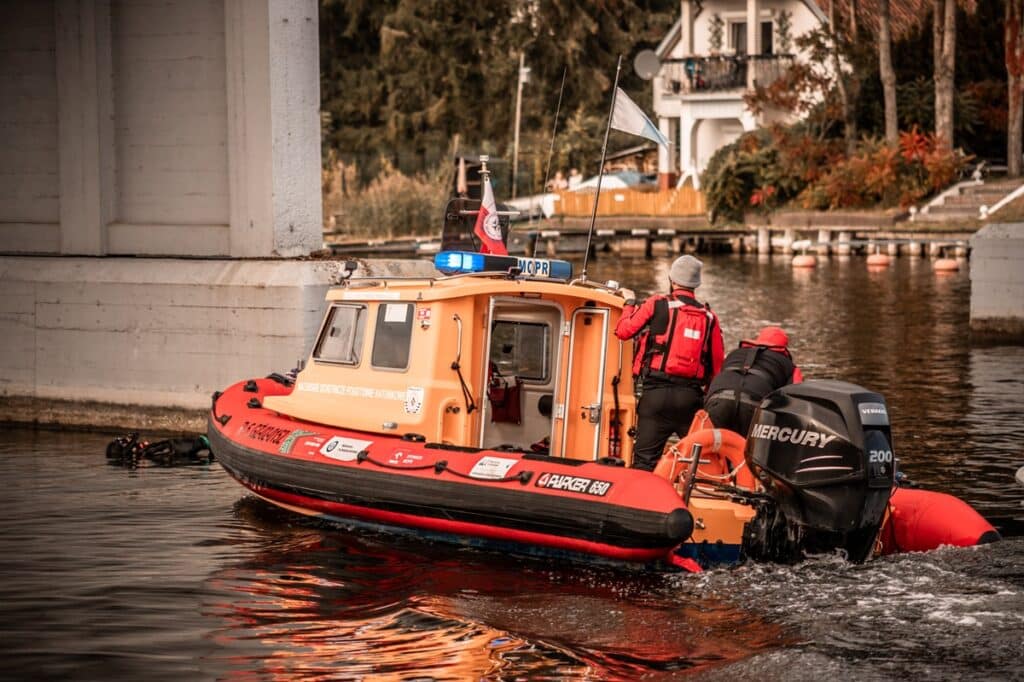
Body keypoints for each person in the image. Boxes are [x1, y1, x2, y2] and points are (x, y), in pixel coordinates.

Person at [615, 255, 724, 472]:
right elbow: (717, 366)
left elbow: (623, 331)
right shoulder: (709, 318)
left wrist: (628, 305)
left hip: (655, 397)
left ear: (672, 279)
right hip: (690, 401)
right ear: (696, 284)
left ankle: (642, 502)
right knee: (699, 464)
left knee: (644, 462)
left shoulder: (656, 303)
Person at [703, 326, 804, 436]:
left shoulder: (734, 354)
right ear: (783, 347)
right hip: (752, 406)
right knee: (747, 451)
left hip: (718, 401)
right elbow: (795, 398)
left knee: (710, 448)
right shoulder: (788, 365)